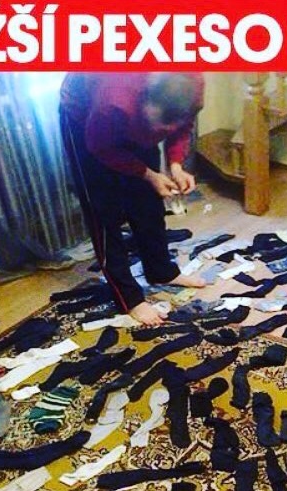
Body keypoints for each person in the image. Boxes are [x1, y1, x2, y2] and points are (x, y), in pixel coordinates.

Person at [59, 73, 207, 325]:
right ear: (144, 101)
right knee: (103, 211)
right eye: (154, 128)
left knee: (148, 200)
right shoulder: (112, 101)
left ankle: (161, 270)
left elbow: (183, 125)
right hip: (85, 120)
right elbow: (102, 148)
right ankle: (128, 298)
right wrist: (148, 173)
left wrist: (175, 164)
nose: (155, 136)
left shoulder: (193, 84)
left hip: (129, 113)